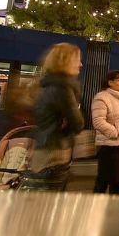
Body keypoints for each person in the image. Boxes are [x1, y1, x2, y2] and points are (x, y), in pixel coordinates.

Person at [22, 43, 85, 191]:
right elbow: (78, 123)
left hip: (43, 148)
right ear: (65, 61)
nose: (80, 64)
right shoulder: (62, 88)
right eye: (77, 60)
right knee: (48, 202)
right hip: (55, 153)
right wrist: (66, 126)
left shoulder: (46, 85)